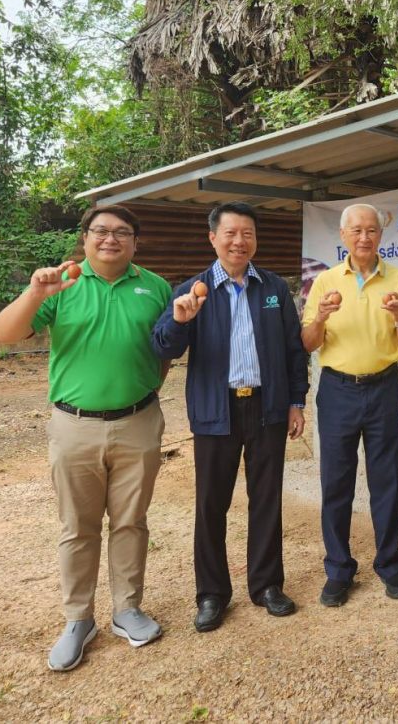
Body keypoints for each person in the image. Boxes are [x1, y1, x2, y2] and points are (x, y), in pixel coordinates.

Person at [0, 206, 171, 672]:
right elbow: (3, 334)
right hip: (74, 424)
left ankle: (127, 610)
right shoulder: (62, 282)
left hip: (139, 420)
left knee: (131, 521)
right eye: (101, 231)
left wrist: (145, 390)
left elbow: (163, 351)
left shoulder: (154, 287)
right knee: (78, 526)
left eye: (122, 233)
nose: (110, 239)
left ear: (135, 242)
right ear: (85, 238)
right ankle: (78, 619)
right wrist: (35, 292)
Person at [151, 202, 308, 632]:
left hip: (267, 407)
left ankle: (267, 586)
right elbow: (163, 346)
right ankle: (211, 594)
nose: (240, 241)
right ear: (213, 238)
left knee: (267, 500)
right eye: (231, 233)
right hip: (215, 409)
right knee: (211, 504)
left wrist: (297, 401)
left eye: (248, 234)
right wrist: (182, 321)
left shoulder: (272, 287)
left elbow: (295, 351)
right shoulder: (193, 290)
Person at [302, 203, 398, 606]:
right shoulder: (325, 282)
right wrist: (320, 316)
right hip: (337, 390)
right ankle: (338, 569)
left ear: (380, 236)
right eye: (356, 231)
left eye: (371, 230)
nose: (364, 237)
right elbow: (309, 342)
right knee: (336, 483)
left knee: (386, 480)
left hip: (383, 388)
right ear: (343, 236)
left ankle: (390, 564)